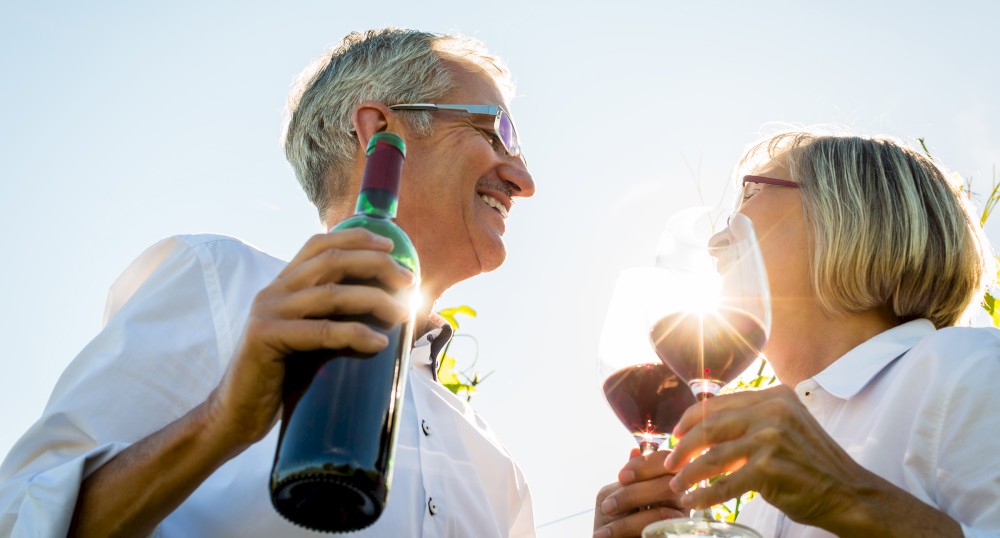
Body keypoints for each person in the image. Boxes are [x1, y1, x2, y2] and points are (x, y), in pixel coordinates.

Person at [0, 28, 538, 537]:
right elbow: (19, 519)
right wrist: (220, 423)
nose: (523, 179)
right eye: (498, 133)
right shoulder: (219, 280)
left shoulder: (498, 466)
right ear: (381, 131)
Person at [595, 128, 1000, 537]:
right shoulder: (760, 507)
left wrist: (845, 498)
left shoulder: (970, 367)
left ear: (847, 210)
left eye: (751, 195)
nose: (716, 242)